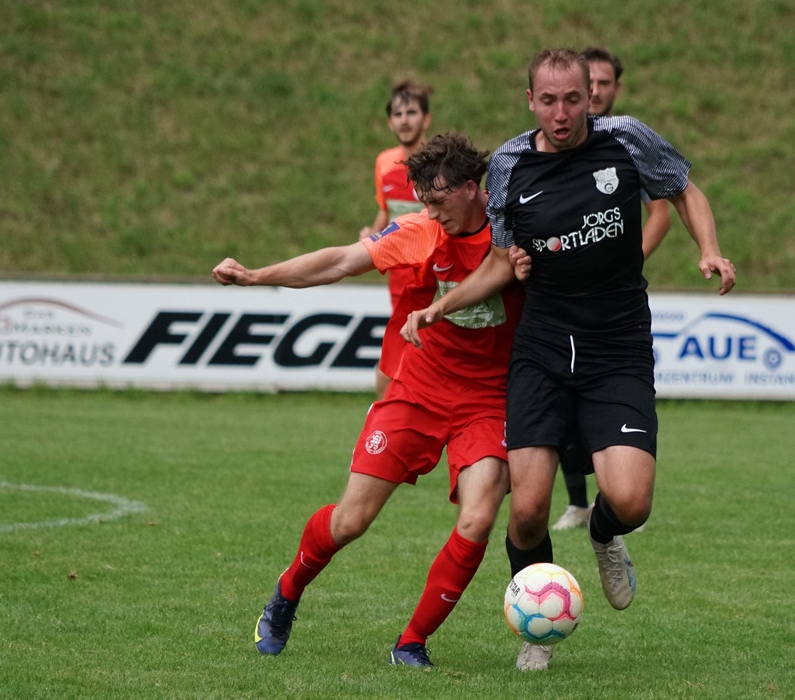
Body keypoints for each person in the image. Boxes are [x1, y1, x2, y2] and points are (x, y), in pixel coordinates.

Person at [402, 48, 736, 671]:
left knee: (631, 501)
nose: (562, 113)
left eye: (573, 99)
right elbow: (501, 261)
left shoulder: (626, 140)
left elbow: (684, 190)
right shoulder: (508, 164)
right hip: (544, 346)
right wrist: (441, 306)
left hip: (618, 344)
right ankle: (538, 628)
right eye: (549, 101)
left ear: (592, 97)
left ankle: (603, 534)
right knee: (527, 510)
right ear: (530, 100)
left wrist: (709, 249)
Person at [213, 132, 523, 668]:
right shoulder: (421, 230)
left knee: (478, 519)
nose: (430, 212)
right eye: (424, 202)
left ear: (472, 188)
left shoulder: (514, 227)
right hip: (419, 388)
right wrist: (256, 276)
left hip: (490, 399)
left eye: (439, 200)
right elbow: (339, 261)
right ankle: (287, 591)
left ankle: (411, 642)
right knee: (350, 521)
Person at [551, 47, 673, 532]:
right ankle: (577, 503)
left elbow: (662, 211)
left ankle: (613, 503)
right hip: (559, 304)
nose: (597, 91)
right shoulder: (549, 142)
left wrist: (623, 262)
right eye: (591, 83)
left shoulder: (625, 144)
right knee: (559, 406)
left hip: (615, 307)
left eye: (604, 83)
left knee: (610, 400)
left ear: (615, 88)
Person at [358, 80, 434, 399]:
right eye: (398, 114)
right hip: (401, 279)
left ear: (426, 119)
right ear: (390, 122)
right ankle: (379, 418)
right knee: (394, 354)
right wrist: (370, 236)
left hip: (438, 275)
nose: (404, 120)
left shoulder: (440, 163)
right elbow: (386, 210)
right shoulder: (384, 163)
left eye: (411, 112)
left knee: (434, 355)